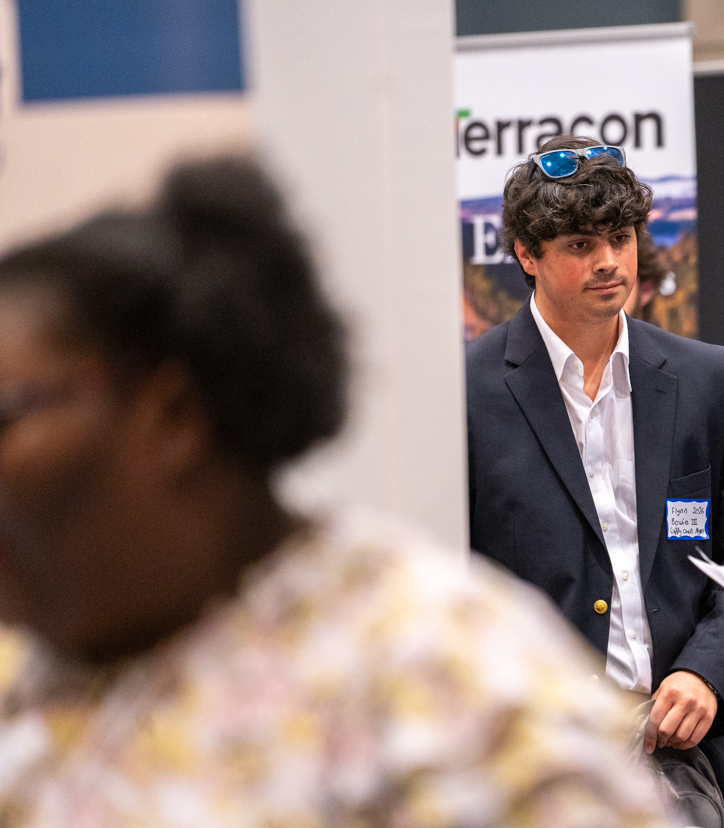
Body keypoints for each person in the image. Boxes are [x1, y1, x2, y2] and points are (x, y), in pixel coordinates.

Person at [0, 156, 669, 827]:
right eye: (581, 243)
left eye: (6, 414)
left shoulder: (446, 699)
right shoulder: (40, 671)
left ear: (172, 414)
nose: (607, 262)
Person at [466, 135, 724, 828]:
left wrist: (707, 670)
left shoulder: (709, 378)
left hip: (681, 760)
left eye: (620, 236)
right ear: (526, 254)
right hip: (536, 764)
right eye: (580, 243)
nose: (610, 261)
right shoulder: (466, 392)